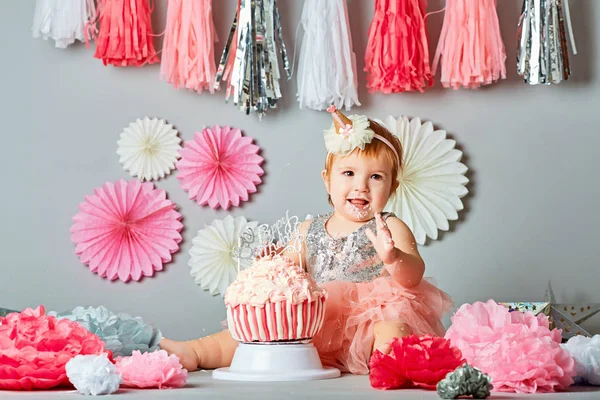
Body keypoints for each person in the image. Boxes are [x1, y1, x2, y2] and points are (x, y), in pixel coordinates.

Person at [160, 106, 452, 374]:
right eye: (348, 173)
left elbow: (413, 276)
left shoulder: (388, 226)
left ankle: (392, 370)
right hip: (316, 323)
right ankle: (195, 352)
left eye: (376, 177)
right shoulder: (309, 229)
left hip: (369, 322)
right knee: (257, 333)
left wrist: (394, 258)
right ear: (327, 179)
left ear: (392, 186)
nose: (360, 186)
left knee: (393, 331)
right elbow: (286, 273)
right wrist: (271, 264)